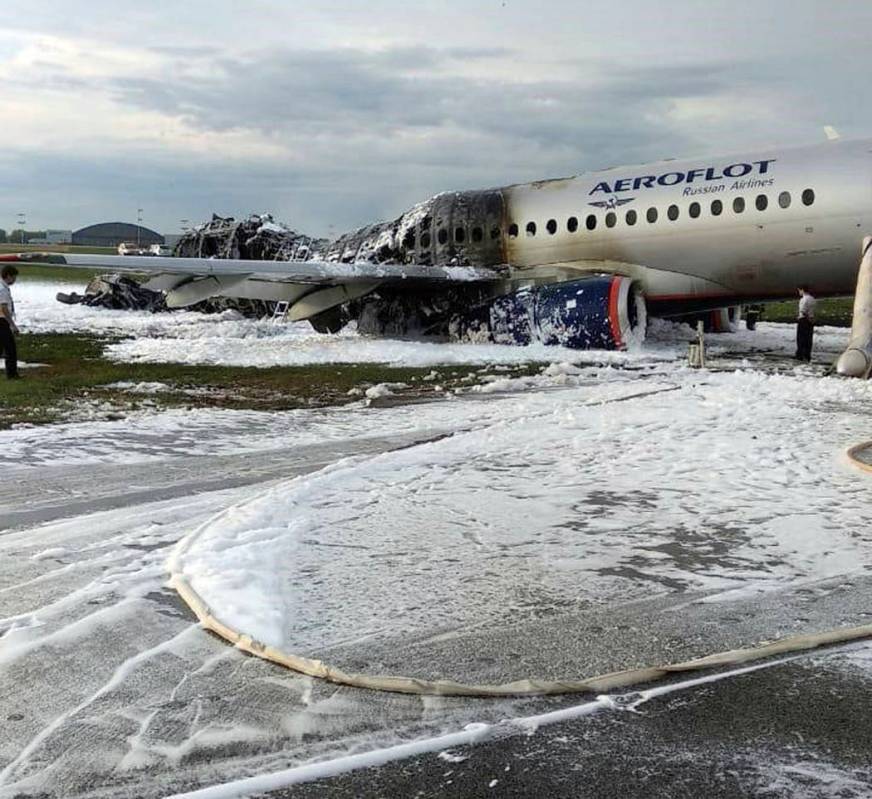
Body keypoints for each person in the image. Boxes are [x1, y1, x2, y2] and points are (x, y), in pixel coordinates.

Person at [0, 265, 20, 379]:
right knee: (10, 349)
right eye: (14, 277)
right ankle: (12, 374)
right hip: (2, 321)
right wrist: (12, 325)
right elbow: (4, 308)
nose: (14, 280)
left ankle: (12, 374)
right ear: (8, 276)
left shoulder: (2, 286)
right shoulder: (3, 289)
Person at [795, 285, 816, 362]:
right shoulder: (812, 299)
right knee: (808, 338)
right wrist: (811, 319)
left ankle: (800, 354)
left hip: (804, 319)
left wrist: (804, 317)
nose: (799, 292)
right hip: (811, 319)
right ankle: (807, 355)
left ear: (802, 290)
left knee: (801, 338)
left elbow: (803, 311)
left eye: (799, 291)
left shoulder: (803, 300)